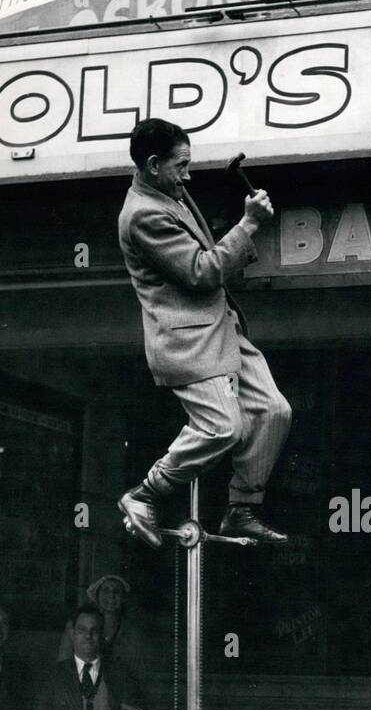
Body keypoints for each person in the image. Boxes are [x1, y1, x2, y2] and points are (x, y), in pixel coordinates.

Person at [116, 117, 291, 548]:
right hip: (190, 342)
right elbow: (201, 271)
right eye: (181, 165)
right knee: (222, 428)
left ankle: (242, 509)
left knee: (273, 411)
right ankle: (145, 494)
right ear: (153, 164)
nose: (188, 174)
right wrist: (248, 225)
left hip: (222, 329)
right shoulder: (142, 215)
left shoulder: (167, 188)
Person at [57, 574, 148, 692]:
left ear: (123, 598)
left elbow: (137, 675)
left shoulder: (132, 634)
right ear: (97, 596)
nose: (111, 596)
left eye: (116, 592)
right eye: (106, 591)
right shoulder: (75, 626)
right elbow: (63, 666)